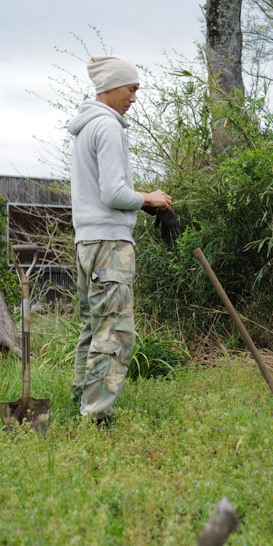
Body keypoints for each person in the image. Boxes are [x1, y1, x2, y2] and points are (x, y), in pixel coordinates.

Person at [68, 55, 171, 424]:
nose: (134, 97)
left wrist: (139, 201)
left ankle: (81, 401)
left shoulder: (85, 129)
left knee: (92, 328)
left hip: (86, 243)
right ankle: (96, 416)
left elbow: (102, 193)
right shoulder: (108, 128)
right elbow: (113, 193)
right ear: (110, 87)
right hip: (110, 245)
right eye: (132, 89)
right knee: (114, 331)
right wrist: (149, 199)